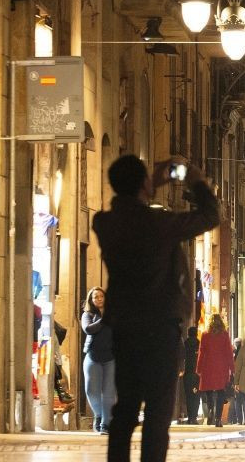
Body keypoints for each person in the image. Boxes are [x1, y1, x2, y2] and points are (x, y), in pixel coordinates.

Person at [93, 155, 218, 461]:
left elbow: (124, 212)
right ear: (144, 184)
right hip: (160, 328)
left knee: (125, 410)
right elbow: (210, 216)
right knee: (158, 415)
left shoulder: (104, 223)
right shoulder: (159, 224)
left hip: (124, 328)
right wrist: (196, 181)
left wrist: (146, 186)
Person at [81, 287, 116, 434]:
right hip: (93, 356)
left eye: (101, 296)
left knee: (108, 392)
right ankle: (99, 414)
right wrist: (104, 320)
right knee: (91, 390)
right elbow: (88, 329)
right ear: (91, 300)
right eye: (95, 297)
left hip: (111, 358)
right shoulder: (87, 315)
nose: (99, 299)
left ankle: (105, 424)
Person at [197, 314, 234, 427]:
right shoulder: (224, 335)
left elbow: (201, 353)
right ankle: (218, 419)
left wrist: (199, 368)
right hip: (221, 369)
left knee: (208, 392)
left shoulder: (205, 335)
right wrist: (232, 368)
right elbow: (229, 353)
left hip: (208, 367)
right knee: (220, 393)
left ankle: (210, 411)